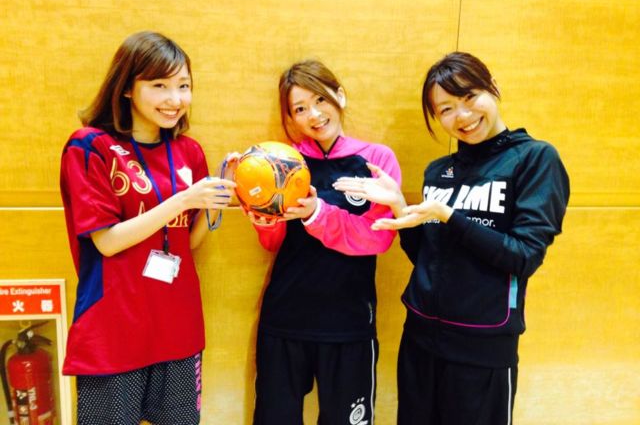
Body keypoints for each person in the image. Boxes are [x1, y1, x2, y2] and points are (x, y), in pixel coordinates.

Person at [334, 52, 570, 425]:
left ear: (494, 88)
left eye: (470, 97)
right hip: (419, 340)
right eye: (445, 109)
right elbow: (428, 256)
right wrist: (399, 207)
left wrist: (449, 216)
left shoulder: (535, 159)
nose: (462, 115)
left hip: (483, 346)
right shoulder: (439, 171)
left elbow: (524, 256)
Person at [59, 31, 236, 425]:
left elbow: (188, 242)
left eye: (183, 86)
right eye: (159, 85)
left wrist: (212, 202)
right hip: (113, 330)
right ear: (126, 87)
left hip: (178, 328)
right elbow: (107, 242)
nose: (175, 99)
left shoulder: (189, 151)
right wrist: (184, 200)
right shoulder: (89, 146)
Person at [244, 59, 401, 424]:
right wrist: (261, 212)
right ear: (291, 118)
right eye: (300, 109)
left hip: (349, 325)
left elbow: (378, 238)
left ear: (339, 96)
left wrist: (317, 213)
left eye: (320, 99)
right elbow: (273, 242)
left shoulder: (376, 159)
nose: (313, 115)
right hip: (285, 319)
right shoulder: (284, 160)